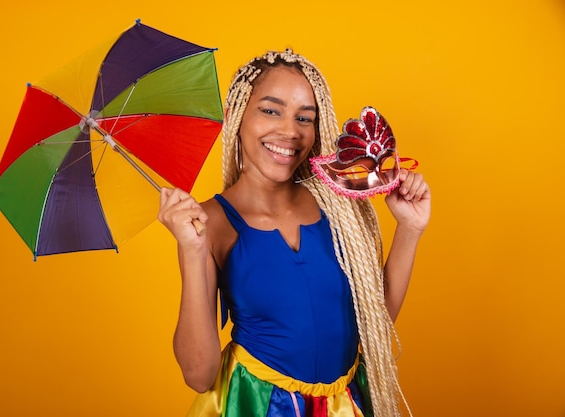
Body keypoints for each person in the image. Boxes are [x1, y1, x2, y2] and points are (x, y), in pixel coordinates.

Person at [158, 49, 431, 417]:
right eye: (271, 110)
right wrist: (192, 251)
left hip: (343, 406)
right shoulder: (211, 223)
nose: (289, 131)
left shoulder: (339, 206)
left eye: (305, 117)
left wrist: (409, 229)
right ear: (238, 116)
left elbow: (374, 325)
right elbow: (198, 373)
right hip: (257, 406)